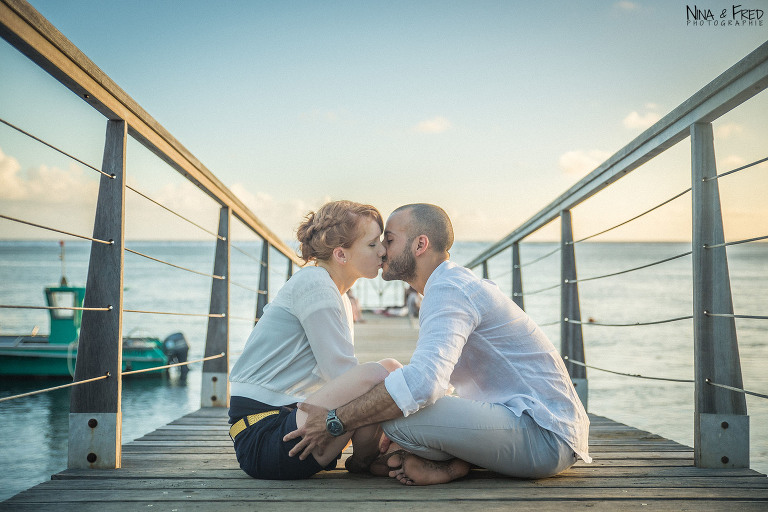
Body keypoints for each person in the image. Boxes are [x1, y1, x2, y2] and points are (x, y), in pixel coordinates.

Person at [284, 203, 591, 485]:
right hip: (542, 430)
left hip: (545, 435)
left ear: (420, 244)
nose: (382, 252)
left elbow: (423, 384)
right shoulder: (447, 285)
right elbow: (437, 381)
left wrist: (336, 421)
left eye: (389, 240)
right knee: (398, 403)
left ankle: (449, 465)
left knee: (395, 416)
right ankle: (436, 461)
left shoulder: (449, 290)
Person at [228, 200, 401, 480]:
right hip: (264, 436)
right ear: (341, 255)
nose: (383, 250)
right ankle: (369, 457)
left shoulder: (336, 293)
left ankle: (366, 459)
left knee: (386, 373)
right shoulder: (315, 286)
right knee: (384, 371)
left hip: (292, 424)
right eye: (372, 244)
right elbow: (344, 376)